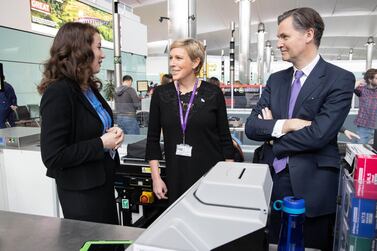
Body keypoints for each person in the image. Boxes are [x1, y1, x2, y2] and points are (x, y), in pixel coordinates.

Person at [245, 8, 355, 250]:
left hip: (311, 185)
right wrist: (288, 124)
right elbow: (251, 127)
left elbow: (319, 134)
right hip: (271, 181)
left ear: (308, 34)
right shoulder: (276, 79)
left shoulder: (339, 79)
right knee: (270, 243)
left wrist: (273, 136)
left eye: (284, 36)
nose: (279, 43)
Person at [38, 22, 124, 224]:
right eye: (99, 47)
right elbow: (53, 156)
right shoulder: (59, 92)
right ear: (81, 51)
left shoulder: (88, 87)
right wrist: (102, 144)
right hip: (82, 195)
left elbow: (96, 128)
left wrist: (114, 132)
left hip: (102, 183)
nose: (103, 55)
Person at [145, 38, 234, 204]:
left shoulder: (213, 93)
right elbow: (152, 140)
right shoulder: (161, 94)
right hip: (175, 175)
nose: (172, 63)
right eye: (171, 58)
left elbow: (225, 138)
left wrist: (227, 177)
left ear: (195, 62)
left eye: (178, 58)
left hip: (210, 175)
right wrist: (156, 178)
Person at [353, 68, 377, 144]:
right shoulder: (361, 90)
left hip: (376, 126)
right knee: (360, 150)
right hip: (364, 127)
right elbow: (348, 88)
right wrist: (360, 81)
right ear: (370, 79)